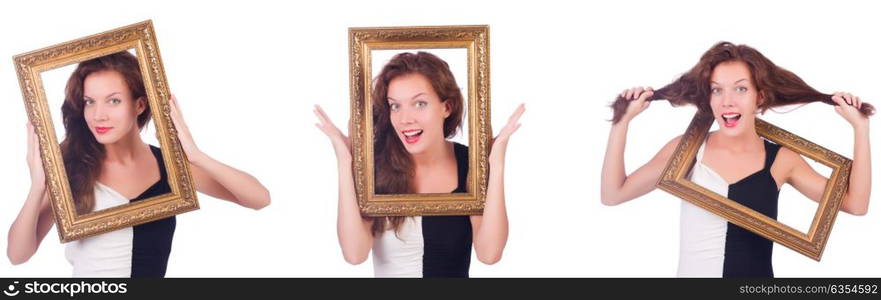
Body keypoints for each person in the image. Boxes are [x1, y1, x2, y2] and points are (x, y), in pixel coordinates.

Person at [600, 42, 872, 277]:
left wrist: (861, 129)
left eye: (740, 89)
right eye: (716, 90)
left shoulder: (781, 160)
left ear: (759, 97)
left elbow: (855, 204)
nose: (727, 101)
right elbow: (614, 194)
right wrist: (621, 122)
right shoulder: (686, 152)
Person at [8, 51, 271, 277]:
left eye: (113, 100)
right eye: (90, 102)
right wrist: (37, 187)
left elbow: (259, 199)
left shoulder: (171, 166)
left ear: (140, 104)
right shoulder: (72, 169)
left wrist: (196, 155)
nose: (99, 115)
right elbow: (18, 255)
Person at [315, 51, 524, 277]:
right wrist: (345, 162)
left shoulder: (469, 163)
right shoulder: (375, 166)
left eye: (420, 103)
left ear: (447, 107)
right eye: (395, 106)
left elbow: (489, 253)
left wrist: (497, 163)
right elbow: (354, 254)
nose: (405, 119)